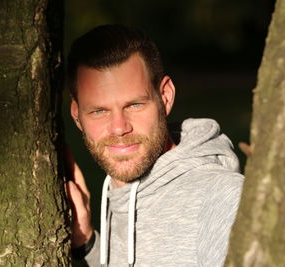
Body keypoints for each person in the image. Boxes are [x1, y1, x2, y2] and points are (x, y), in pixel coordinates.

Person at [65, 24, 244, 267]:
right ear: (77, 115)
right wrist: (86, 243)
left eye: (134, 105)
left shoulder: (223, 200)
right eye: (99, 111)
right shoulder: (123, 192)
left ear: (165, 97)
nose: (119, 128)